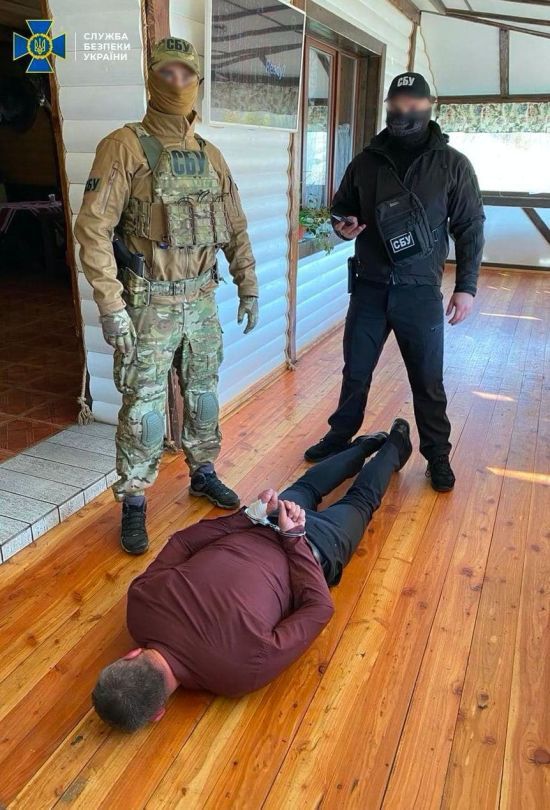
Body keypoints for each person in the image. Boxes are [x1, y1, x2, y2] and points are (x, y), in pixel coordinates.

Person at [91, 418, 412, 731]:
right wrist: (252, 517)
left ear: (158, 713)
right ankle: (366, 445)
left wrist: (294, 538)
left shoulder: (238, 677)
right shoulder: (139, 607)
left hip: (312, 548)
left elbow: (319, 608)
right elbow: (182, 542)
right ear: (130, 656)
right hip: (266, 523)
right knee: (307, 486)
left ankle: (395, 443)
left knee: (361, 502)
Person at [75, 38, 259, 554]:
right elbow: (93, 229)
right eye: (167, 72)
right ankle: (134, 500)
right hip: (147, 303)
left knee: (203, 395)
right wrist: (111, 306)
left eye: (186, 73)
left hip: (201, 300)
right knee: (144, 408)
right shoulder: (123, 147)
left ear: (197, 80)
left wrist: (248, 285)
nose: (177, 82)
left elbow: (235, 228)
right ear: (151, 78)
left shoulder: (210, 155)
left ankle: (203, 472)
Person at [305, 72, 485, 493]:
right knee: (356, 371)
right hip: (369, 286)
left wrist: (467, 286)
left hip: (420, 291)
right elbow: (341, 208)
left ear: (428, 105)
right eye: (397, 103)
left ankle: (437, 455)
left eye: (412, 103)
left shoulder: (452, 164)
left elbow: (470, 227)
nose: (404, 111)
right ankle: (339, 436)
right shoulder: (366, 161)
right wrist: (342, 226)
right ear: (388, 105)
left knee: (427, 379)